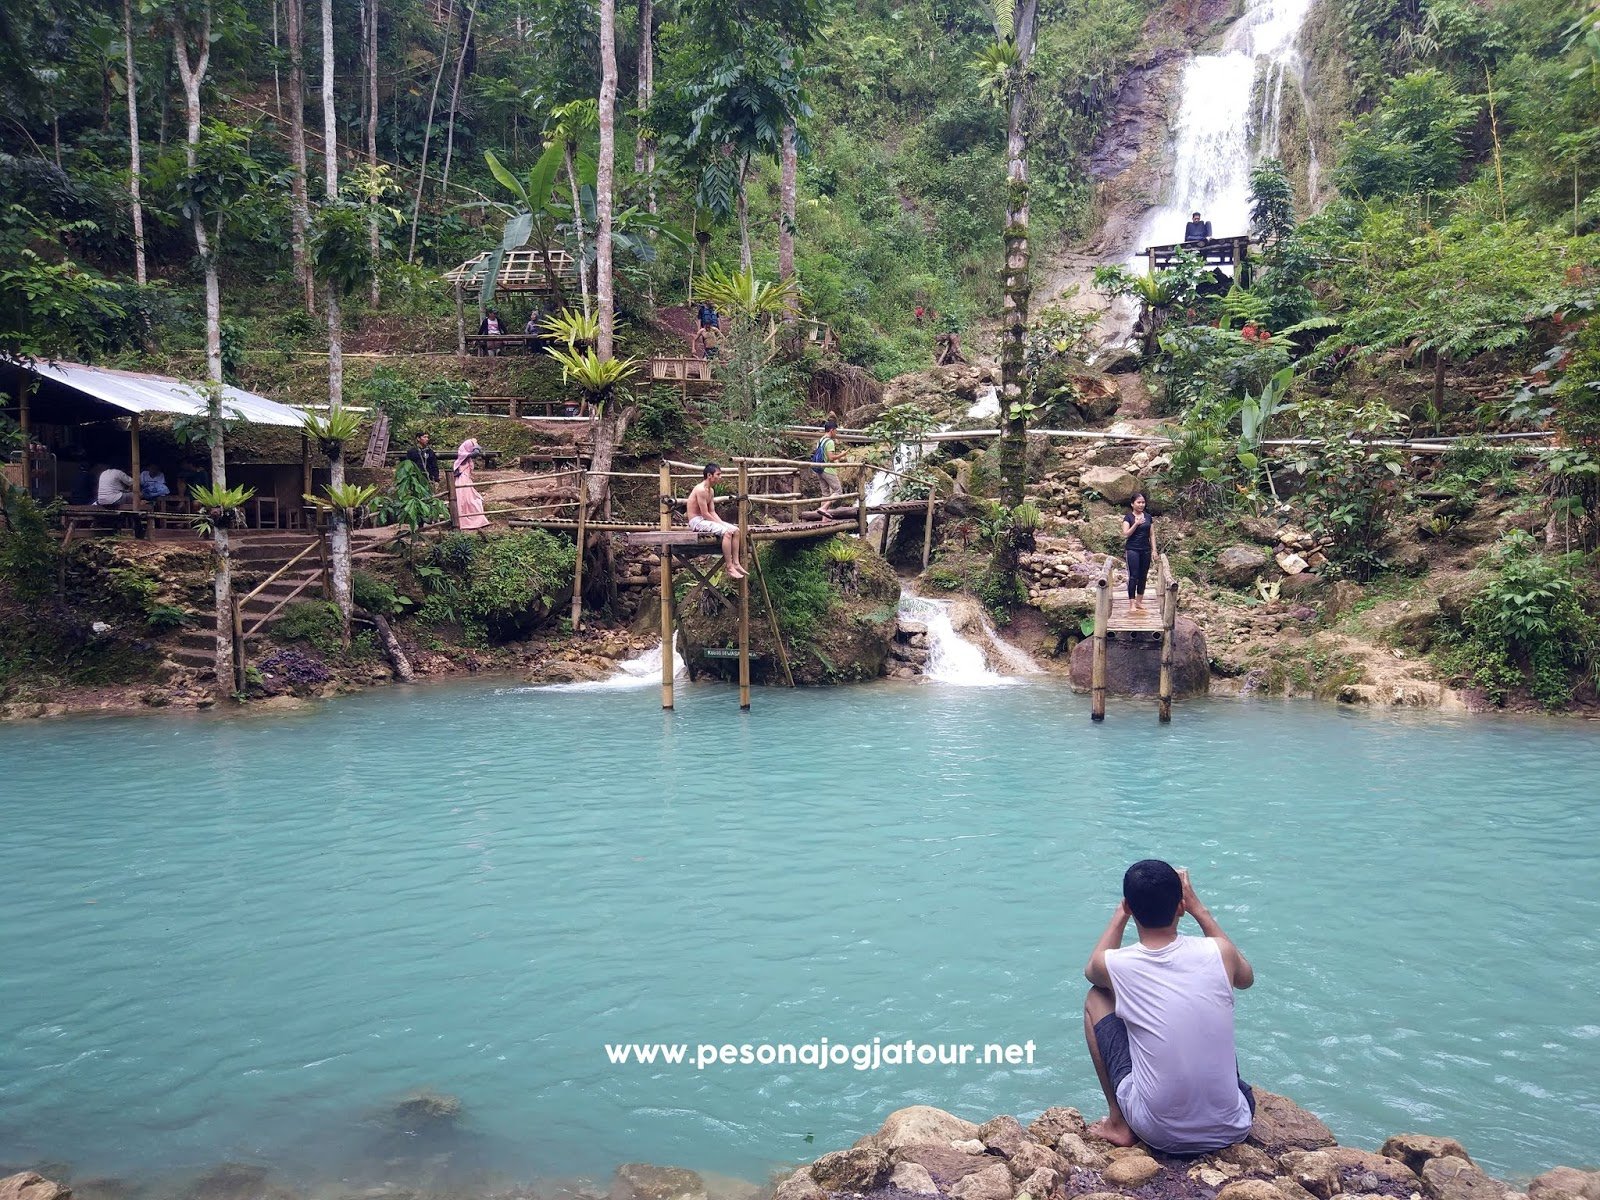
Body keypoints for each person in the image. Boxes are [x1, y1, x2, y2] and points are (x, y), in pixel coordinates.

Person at [1083, 860, 1256, 1153]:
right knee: (1202, 1009)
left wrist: (1120, 915)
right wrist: (1199, 908)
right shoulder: (1220, 952)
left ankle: (1118, 1122)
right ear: (1181, 906)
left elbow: (1092, 971)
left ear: (1130, 908)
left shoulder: (1117, 964)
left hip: (1160, 1131)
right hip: (1235, 1123)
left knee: (1096, 997)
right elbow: (1245, 979)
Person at [686, 463, 745, 580]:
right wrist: (722, 525)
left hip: (705, 519)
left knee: (736, 530)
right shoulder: (701, 490)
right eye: (718, 474)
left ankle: (736, 563)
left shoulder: (711, 491)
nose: (720, 477)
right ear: (709, 475)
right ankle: (729, 566)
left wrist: (722, 523)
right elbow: (704, 513)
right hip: (696, 521)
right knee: (727, 533)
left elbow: (712, 511)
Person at [1121, 491, 1156, 611]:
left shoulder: (1148, 517)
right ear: (1132, 504)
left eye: (1143, 502)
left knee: (1143, 575)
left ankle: (1139, 601)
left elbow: (1151, 534)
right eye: (1138, 502)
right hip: (1132, 549)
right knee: (1133, 576)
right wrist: (1135, 524)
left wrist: (1154, 550)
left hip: (1145, 549)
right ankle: (1131, 603)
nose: (1141, 505)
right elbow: (1126, 534)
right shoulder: (1128, 517)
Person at [810, 417, 846, 518]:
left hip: (819, 469)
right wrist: (842, 455)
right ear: (832, 430)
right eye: (836, 431)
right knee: (838, 491)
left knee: (825, 494)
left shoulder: (821, 440)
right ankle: (824, 508)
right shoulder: (830, 442)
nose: (836, 433)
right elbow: (830, 457)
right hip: (828, 469)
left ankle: (824, 519)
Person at [453, 438, 490, 531]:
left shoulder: (465, 455)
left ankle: (472, 518)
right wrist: (476, 447)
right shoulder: (463, 455)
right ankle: (467, 520)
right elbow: (475, 454)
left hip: (466, 480)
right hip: (462, 480)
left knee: (470, 500)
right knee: (466, 500)